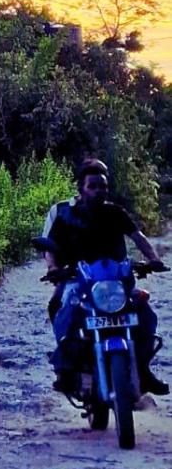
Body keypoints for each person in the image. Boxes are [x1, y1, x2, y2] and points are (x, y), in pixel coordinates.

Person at [43, 159, 168, 397]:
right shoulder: (67, 215)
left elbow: (138, 237)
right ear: (81, 189)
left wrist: (153, 259)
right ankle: (65, 369)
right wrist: (53, 268)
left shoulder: (115, 213)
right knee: (62, 310)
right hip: (81, 280)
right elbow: (51, 247)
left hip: (117, 281)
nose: (99, 190)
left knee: (145, 313)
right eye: (93, 186)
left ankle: (143, 369)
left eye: (103, 186)